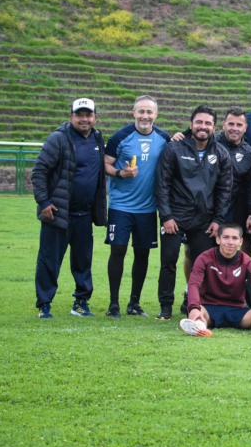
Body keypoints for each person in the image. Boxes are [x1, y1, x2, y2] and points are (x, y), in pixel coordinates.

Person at [154, 105, 232, 320]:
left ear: (214, 127)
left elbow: (225, 189)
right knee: (168, 262)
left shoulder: (221, 153)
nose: (203, 126)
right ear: (191, 124)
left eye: (207, 123)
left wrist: (218, 220)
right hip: (175, 217)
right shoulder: (173, 148)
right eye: (199, 122)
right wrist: (166, 216)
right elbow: (162, 185)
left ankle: (194, 304)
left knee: (202, 265)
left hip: (204, 219)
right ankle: (165, 307)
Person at [33, 98, 107, 319]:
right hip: (58, 212)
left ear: (95, 117)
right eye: (79, 115)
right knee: (49, 260)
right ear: (71, 117)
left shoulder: (97, 137)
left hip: (84, 213)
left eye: (88, 115)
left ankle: (81, 303)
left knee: (83, 261)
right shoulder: (58, 138)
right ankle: (44, 304)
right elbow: (39, 172)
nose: (84, 119)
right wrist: (44, 202)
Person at [102, 95, 171, 319]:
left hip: (148, 208)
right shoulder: (120, 137)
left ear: (156, 114)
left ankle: (134, 303)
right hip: (120, 206)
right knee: (118, 251)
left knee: (142, 254)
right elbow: (105, 164)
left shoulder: (164, 138)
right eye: (141, 111)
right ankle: (113, 304)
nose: (145, 116)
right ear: (133, 113)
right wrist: (121, 173)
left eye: (149, 112)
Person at [179, 221, 251, 339]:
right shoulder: (204, 258)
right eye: (226, 237)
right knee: (198, 311)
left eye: (234, 238)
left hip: (237, 310)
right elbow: (194, 284)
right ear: (218, 239)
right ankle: (198, 327)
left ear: (240, 242)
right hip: (209, 308)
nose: (230, 242)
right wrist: (193, 307)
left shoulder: (247, 261)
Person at [215, 107, 251, 253]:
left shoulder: (249, 153)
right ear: (224, 125)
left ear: (245, 128)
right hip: (208, 209)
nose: (234, 128)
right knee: (195, 252)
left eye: (239, 125)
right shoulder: (211, 144)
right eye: (231, 124)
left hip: (234, 210)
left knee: (230, 251)